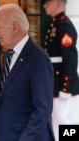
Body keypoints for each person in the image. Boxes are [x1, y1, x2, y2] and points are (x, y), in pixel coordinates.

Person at [0, 4, 54, 141]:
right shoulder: (8, 55)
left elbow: (43, 109)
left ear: (14, 27)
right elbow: (10, 89)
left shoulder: (38, 58)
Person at [43, 0, 79, 140]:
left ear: (58, 3)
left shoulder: (64, 25)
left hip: (62, 85)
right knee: (57, 124)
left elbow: (70, 59)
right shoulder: (55, 24)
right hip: (55, 83)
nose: (45, 5)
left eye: (48, 2)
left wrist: (66, 87)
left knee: (65, 124)